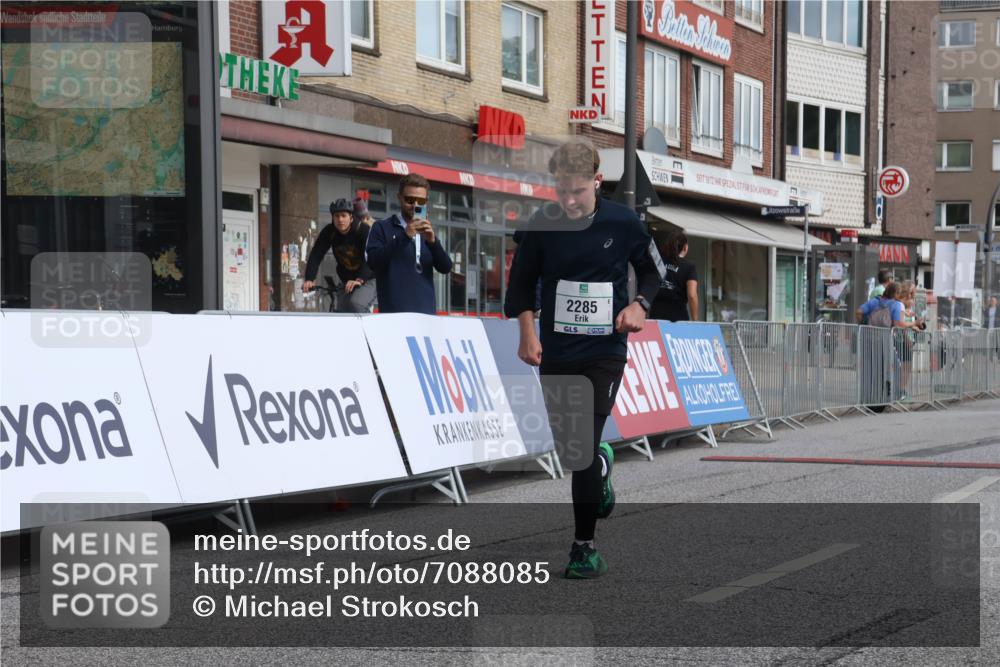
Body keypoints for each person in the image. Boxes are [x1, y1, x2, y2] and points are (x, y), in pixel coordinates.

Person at [504, 141, 661, 580]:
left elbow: (654, 269)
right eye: (561, 192)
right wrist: (527, 334)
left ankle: (584, 547)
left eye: (578, 192)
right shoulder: (542, 226)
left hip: (603, 353)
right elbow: (521, 286)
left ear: (597, 182)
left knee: (580, 446)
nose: (569, 201)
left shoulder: (622, 223)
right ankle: (602, 465)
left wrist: (640, 306)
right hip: (557, 350)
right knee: (575, 449)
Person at [364, 174, 453, 315]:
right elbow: (373, 262)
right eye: (409, 199)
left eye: (421, 201)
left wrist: (433, 242)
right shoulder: (381, 227)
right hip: (394, 315)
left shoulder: (427, 231)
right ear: (399, 197)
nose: (415, 205)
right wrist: (405, 235)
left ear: (427, 201)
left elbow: (446, 267)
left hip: (426, 316)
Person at [302, 198, 377, 313]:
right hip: (347, 280)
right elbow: (316, 254)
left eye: (343, 215)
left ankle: (370, 329)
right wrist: (309, 278)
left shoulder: (363, 230)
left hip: (369, 277)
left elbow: (372, 257)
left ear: (351, 217)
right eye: (336, 216)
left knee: (356, 304)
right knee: (342, 311)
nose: (340, 220)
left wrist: (360, 279)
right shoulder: (329, 232)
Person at [649, 230, 698, 321]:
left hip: (656, 314)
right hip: (678, 317)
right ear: (685, 247)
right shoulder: (689, 267)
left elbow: (649, 284)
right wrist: (695, 320)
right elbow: (692, 295)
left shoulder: (658, 262)